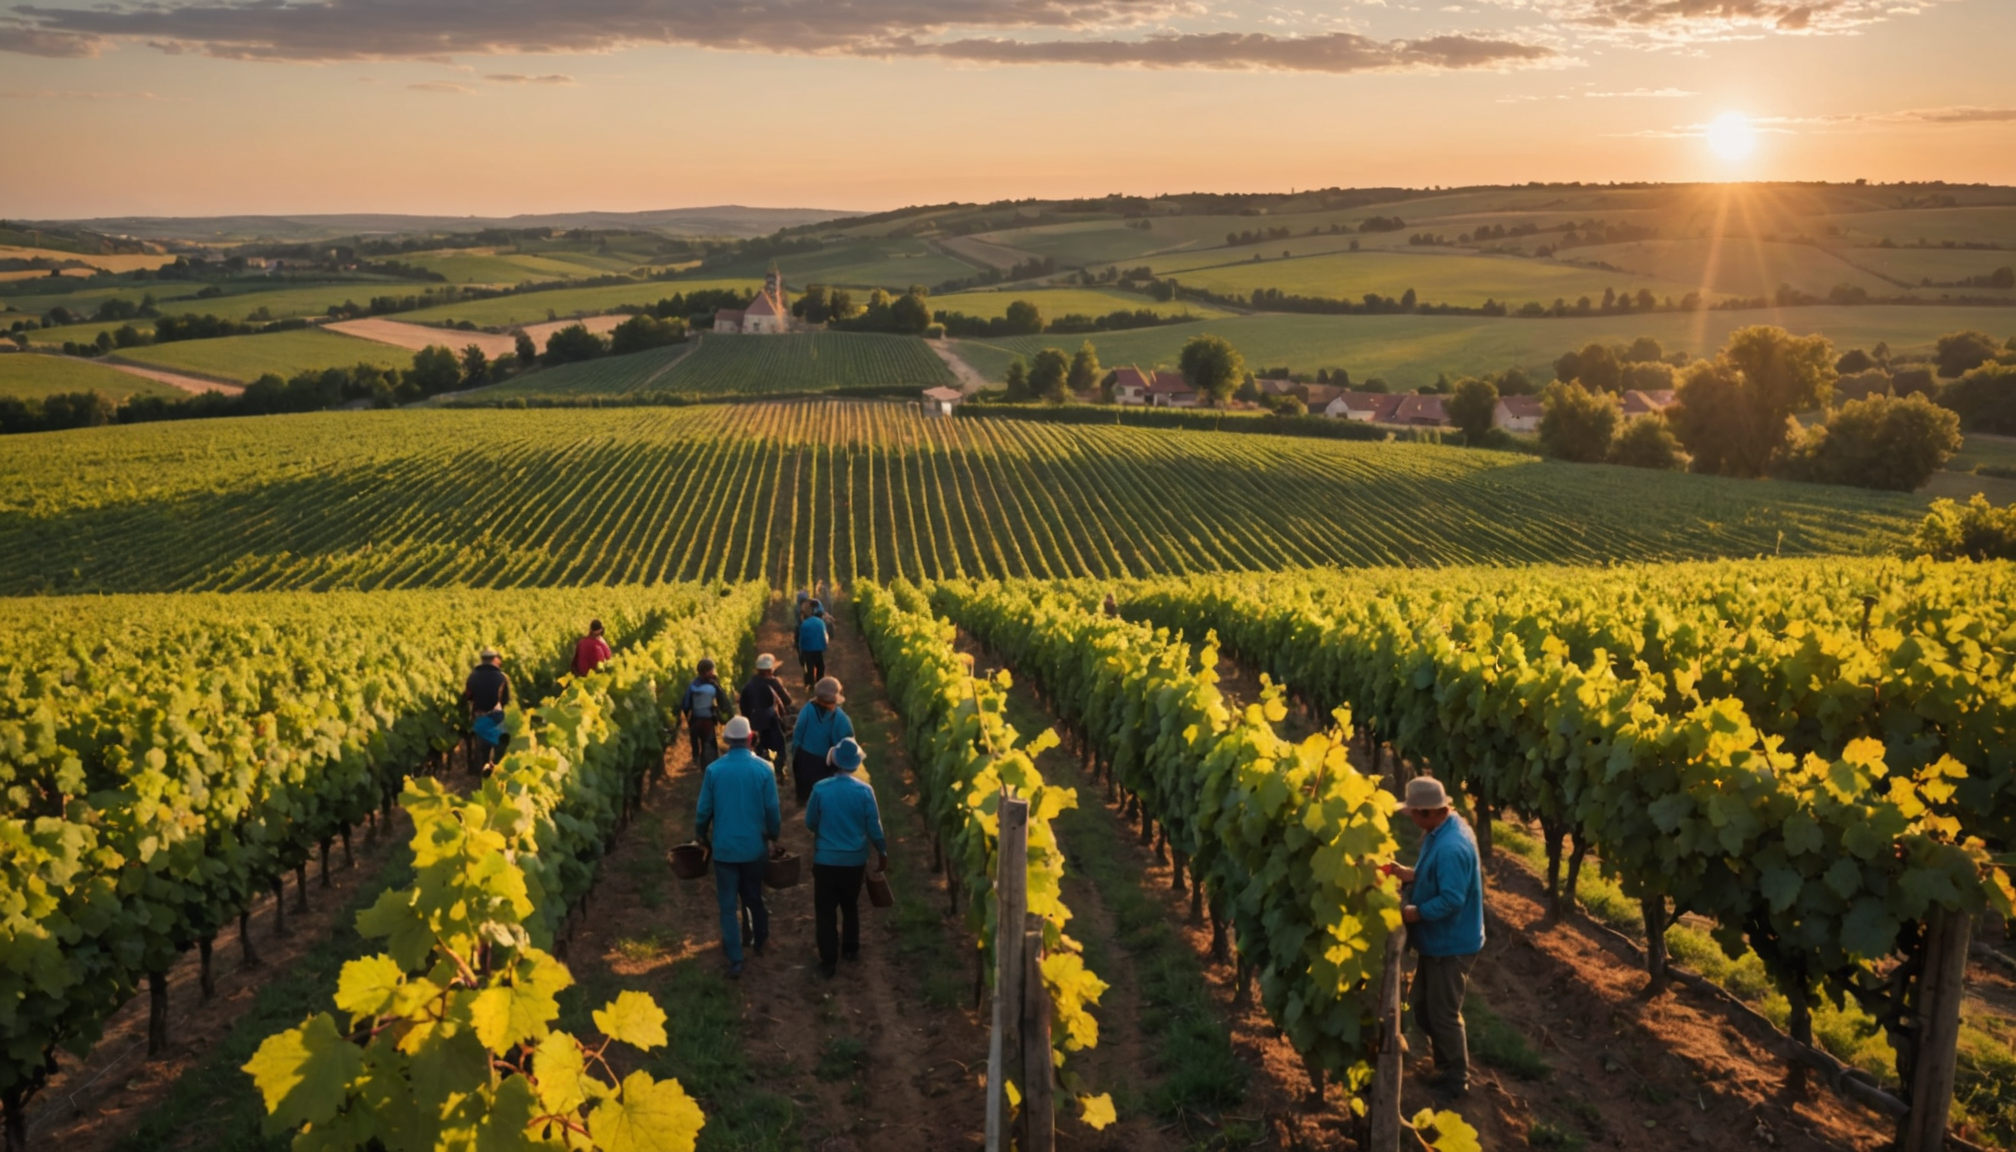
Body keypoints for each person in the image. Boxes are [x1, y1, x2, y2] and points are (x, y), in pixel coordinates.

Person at [1380, 776, 1485, 1098]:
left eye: (1413, 812)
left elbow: (1452, 899)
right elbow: (1435, 875)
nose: (1410, 818)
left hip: (1450, 944)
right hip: (1439, 941)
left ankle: (1456, 1079)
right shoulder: (1442, 830)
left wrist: (1412, 913)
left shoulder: (1452, 846)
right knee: (1424, 1008)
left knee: (1443, 1014)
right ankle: (1446, 1063)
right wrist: (1406, 872)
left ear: (1427, 812)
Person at [695, 717, 781, 979]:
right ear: (749, 738)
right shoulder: (764, 769)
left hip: (724, 850)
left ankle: (735, 958)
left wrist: (701, 836)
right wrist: (774, 836)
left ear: (728, 742)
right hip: (754, 848)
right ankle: (761, 938)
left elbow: (703, 812)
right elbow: (772, 812)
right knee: (753, 895)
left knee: (727, 904)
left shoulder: (714, 771)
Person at [804, 738, 887, 978]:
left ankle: (828, 961)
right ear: (855, 764)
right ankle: (851, 948)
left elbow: (810, 822)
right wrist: (882, 852)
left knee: (826, 911)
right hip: (854, 862)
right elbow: (874, 827)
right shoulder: (865, 791)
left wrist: (824, 831)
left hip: (825, 862)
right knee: (850, 906)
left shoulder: (820, 789)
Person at [789, 677, 854, 807]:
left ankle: (807, 802)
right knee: (814, 788)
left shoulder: (809, 709)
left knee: (811, 787)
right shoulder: (839, 718)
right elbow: (798, 734)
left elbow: (847, 742)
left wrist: (795, 753)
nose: (831, 704)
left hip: (817, 760)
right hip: (811, 759)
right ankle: (806, 802)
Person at [739, 653, 794, 774]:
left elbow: (743, 705)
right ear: (771, 669)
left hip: (754, 724)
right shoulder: (774, 682)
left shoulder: (749, 685)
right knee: (780, 744)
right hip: (771, 721)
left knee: (756, 749)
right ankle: (780, 770)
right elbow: (787, 700)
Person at [463, 649, 512, 772]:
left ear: (482, 660)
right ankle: (497, 775)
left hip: (480, 718)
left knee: (483, 753)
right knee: (499, 752)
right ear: (494, 659)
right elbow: (506, 700)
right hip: (497, 718)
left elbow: (469, 697)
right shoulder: (502, 677)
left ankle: (484, 779)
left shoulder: (472, 677)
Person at [681, 658, 730, 767]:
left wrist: (688, 717)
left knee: (695, 741)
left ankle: (695, 756)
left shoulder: (692, 685)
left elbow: (685, 704)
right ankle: (708, 766)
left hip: (695, 720)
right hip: (708, 721)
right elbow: (724, 702)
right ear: (708, 671)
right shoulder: (713, 685)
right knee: (709, 744)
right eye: (711, 670)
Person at [797, 601, 831, 690]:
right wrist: (825, 646)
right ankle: (820, 682)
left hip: (807, 650)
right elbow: (825, 636)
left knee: (809, 667)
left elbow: (801, 639)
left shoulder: (804, 624)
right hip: (818, 649)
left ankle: (810, 684)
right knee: (820, 666)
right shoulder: (820, 622)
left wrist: (801, 651)